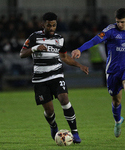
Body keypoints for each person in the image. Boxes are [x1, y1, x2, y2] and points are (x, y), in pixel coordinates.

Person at [71, 8, 125, 138]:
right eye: (117, 22)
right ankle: (117, 122)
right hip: (112, 70)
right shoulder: (110, 30)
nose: (119, 24)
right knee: (116, 101)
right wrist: (80, 49)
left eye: (122, 22)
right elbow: (95, 40)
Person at [20, 12, 89, 143]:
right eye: (49, 25)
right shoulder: (34, 37)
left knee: (64, 99)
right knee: (49, 111)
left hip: (56, 75)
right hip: (40, 79)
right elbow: (22, 54)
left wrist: (80, 65)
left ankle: (75, 132)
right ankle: (53, 126)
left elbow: (64, 57)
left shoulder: (60, 39)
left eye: (54, 25)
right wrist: (34, 49)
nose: (51, 28)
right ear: (43, 25)